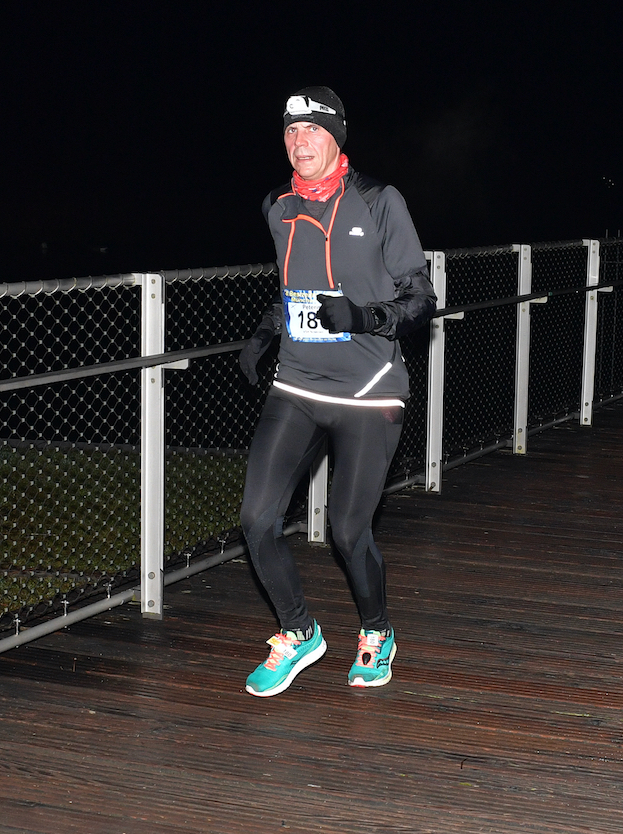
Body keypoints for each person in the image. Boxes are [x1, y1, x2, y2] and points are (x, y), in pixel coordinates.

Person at [236, 86, 437, 697]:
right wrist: (265, 332)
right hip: (296, 384)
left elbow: (421, 299)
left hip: (370, 391)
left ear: (336, 137)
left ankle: (377, 632)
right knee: (256, 520)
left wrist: (360, 318)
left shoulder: (378, 202)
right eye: (291, 131)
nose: (300, 142)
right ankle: (299, 633)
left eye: (312, 131)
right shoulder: (276, 206)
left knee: (349, 532)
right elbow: (295, 286)